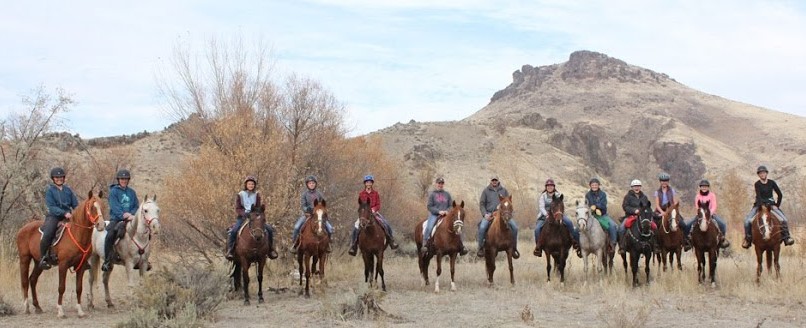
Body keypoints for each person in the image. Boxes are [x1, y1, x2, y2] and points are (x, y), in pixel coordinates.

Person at [226, 176, 278, 260]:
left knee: (269, 229)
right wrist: (243, 213)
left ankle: (271, 249)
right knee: (234, 230)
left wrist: (256, 213)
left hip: (254, 216)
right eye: (249, 184)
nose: (251, 185)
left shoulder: (257, 194)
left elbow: (258, 207)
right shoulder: (240, 194)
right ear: (246, 184)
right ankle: (230, 250)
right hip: (243, 217)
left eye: (252, 184)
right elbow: (238, 208)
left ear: (254, 185)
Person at [742, 166, 795, 248]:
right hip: (759, 205)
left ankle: (786, 238)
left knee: (784, 219)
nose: (762, 174)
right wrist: (761, 206)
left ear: (766, 173)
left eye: (763, 172)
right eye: (760, 173)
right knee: (747, 221)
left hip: (771, 205)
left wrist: (777, 205)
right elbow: (758, 196)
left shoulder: (772, 182)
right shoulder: (757, 184)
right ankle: (748, 239)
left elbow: (780, 194)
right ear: (758, 175)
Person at [39, 167, 79, 270]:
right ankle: (43, 257)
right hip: (54, 216)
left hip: (69, 216)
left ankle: (82, 258)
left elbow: (75, 204)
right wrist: (64, 213)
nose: (59, 179)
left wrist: (77, 212)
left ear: (64, 178)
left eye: (61, 177)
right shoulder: (50, 191)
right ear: (53, 178)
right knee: (48, 232)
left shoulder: (68, 190)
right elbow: (51, 207)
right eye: (56, 177)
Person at [348, 175, 399, 256]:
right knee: (356, 227)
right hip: (364, 214)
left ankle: (391, 241)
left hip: (374, 212)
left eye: (370, 182)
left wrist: (373, 210)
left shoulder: (375, 193)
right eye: (367, 182)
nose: (368, 183)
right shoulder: (361, 194)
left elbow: (378, 204)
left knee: (386, 223)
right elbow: (361, 205)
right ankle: (353, 246)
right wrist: (364, 211)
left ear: (372, 183)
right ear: (365, 183)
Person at [102, 169, 139, 272]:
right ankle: (107, 261)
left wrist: (132, 215)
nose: (124, 181)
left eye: (126, 179)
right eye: (122, 179)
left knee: (144, 231)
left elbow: (136, 205)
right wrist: (123, 215)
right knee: (110, 235)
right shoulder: (114, 192)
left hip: (131, 219)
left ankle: (142, 259)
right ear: (118, 180)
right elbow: (114, 206)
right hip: (117, 219)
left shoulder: (132, 192)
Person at [533, 179, 580, 258]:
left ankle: (574, 240)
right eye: (548, 186)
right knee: (537, 229)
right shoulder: (543, 196)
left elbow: (561, 205)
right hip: (545, 216)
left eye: (551, 186)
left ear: (554, 187)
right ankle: (538, 247)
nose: (550, 187)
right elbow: (541, 207)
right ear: (546, 187)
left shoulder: (558, 195)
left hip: (558, 214)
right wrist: (546, 214)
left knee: (569, 222)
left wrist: (560, 213)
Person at [422, 177, 468, 255]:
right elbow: (429, 206)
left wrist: (447, 211)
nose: (440, 185)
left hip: (446, 215)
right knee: (429, 226)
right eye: (439, 183)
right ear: (436, 184)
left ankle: (461, 246)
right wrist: (438, 211)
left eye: (442, 183)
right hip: (435, 215)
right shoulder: (432, 195)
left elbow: (451, 205)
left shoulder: (447, 194)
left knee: (458, 226)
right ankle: (425, 243)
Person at [476, 175, 519, 258]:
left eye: (495, 180)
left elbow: (508, 202)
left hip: (503, 214)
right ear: (490, 181)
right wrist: (485, 214)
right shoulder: (486, 191)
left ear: (498, 181)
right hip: (489, 214)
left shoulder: (504, 190)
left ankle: (514, 247)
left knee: (515, 227)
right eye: (493, 180)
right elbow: (481, 204)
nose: (494, 181)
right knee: (482, 227)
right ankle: (480, 248)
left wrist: (505, 211)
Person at [682, 180, 730, 250]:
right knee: (688, 225)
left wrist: (709, 213)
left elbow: (714, 206)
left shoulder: (712, 195)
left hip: (710, 214)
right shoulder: (697, 196)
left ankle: (722, 239)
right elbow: (697, 206)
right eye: (702, 186)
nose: (704, 188)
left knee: (722, 224)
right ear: (700, 188)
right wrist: (701, 214)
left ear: (708, 188)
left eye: (706, 186)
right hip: (700, 215)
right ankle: (687, 241)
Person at [290, 175, 333, 254]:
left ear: (315, 184)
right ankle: (294, 244)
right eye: (310, 183)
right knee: (296, 227)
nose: (311, 184)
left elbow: (323, 204)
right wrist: (307, 209)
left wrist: (321, 210)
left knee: (330, 228)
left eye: (313, 183)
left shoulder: (319, 194)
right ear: (307, 184)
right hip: (307, 215)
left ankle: (328, 244)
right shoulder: (304, 194)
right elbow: (303, 205)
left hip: (318, 215)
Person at [618, 179, 653, 255]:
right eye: (635, 186)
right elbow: (625, 206)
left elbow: (648, 207)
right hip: (630, 216)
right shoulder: (627, 197)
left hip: (643, 217)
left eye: (638, 186)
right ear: (632, 187)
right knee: (621, 228)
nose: (636, 188)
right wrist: (634, 210)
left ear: (640, 187)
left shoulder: (644, 197)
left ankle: (655, 245)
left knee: (654, 226)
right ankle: (622, 246)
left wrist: (647, 213)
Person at [585, 178, 618, 251]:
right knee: (581, 226)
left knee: (612, 226)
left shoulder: (603, 194)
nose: (594, 186)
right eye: (592, 185)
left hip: (602, 215)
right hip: (591, 215)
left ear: (599, 185)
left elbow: (603, 205)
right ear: (590, 186)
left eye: (596, 185)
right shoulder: (587, 195)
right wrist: (591, 208)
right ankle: (580, 245)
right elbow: (587, 204)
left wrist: (596, 206)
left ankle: (613, 243)